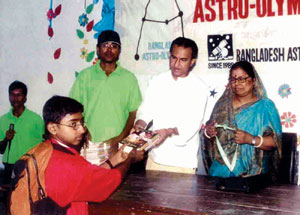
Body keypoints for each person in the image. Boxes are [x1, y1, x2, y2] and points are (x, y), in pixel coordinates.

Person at [11, 95, 143, 215]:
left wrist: (117, 158)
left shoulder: (45, 149)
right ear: (52, 128)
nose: (82, 129)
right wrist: (130, 159)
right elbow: (106, 183)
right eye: (73, 124)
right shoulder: (66, 163)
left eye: (81, 123)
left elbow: (88, 175)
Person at [133, 37, 209, 174]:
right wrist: (140, 124)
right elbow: (146, 110)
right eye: (174, 58)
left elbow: (191, 125)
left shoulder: (199, 87)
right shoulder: (157, 81)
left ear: (192, 62)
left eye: (183, 60)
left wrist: (168, 131)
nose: (176, 64)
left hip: (183, 162)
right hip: (155, 158)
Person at [203, 61, 282, 178]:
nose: (237, 83)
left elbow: (276, 142)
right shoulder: (222, 105)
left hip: (253, 174)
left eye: (242, 79)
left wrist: (251, 139)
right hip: (220, 172)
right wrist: (209, 133)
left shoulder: (265, 106)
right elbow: (209, 138)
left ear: (254, 80)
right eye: (233, 79)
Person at [70, 30, 142, 156]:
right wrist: (84, 132)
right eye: (105, 46)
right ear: (98, 49)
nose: (109, 50)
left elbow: (133, 113)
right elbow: (73, 109)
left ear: (119, 50)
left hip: (119, 145)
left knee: (117, 176)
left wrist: (120, 138)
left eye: (114, 46)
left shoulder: (129, 78)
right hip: (89, 144)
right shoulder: (85, 76)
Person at [0, 81, 44, 184]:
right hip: (9, 167)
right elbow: (1, 150)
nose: (15, 98)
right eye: (12, 95)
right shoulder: (3, 120)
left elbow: (44, 145)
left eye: (19, 95)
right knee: (9, 198)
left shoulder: (35, 119)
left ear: (25, 98)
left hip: (29, 165)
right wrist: (6, 139)